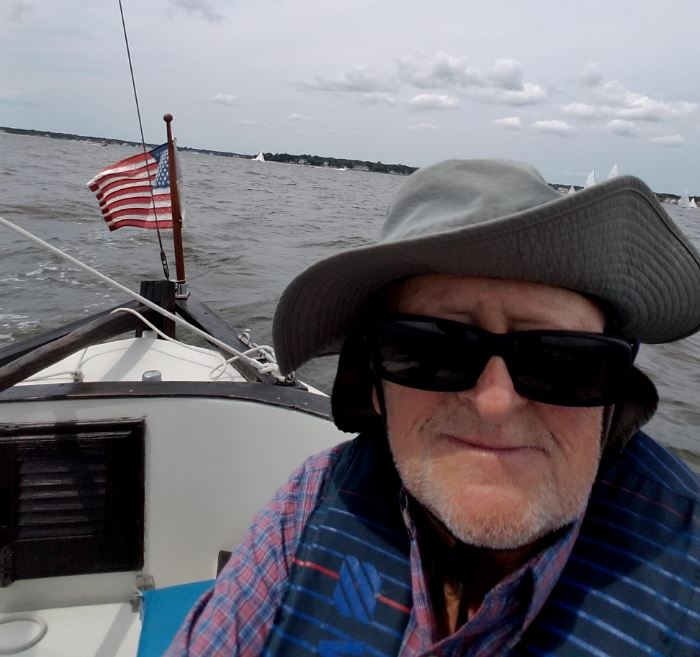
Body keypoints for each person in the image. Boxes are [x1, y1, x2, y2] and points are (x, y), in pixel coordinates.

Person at [167, 159, 700, 656]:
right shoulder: (311, 505)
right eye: (430, 351)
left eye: (561, 360)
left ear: (613, 396)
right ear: (373, 382)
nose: (494, 403)